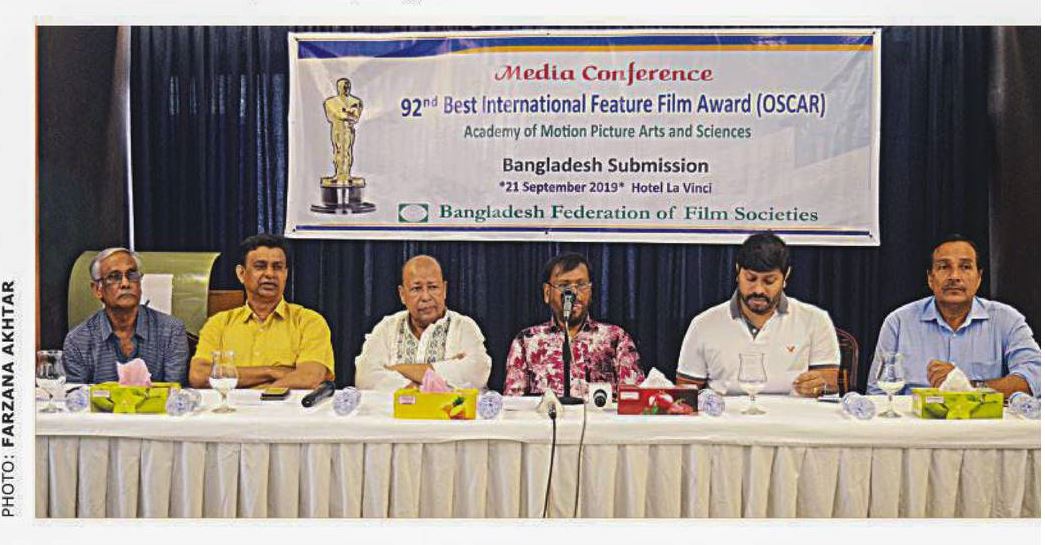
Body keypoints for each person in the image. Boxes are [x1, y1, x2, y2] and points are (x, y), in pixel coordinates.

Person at [869, 234, 1040, 398]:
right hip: (914, 417)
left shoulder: (1006, 320)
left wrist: (967, 386)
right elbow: (877, 392)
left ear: (979, 278)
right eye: (944, 267)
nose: (954, 277)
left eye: (965, 267)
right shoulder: (899, 322)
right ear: (930, 278)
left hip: (981, 418)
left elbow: (1036, 377)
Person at [676, 232, 840, 397]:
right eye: (750, 279)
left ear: (786, 276)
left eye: (769, 281)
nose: (758, 290)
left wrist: (819, 385)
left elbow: (830, 387)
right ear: (738, 271)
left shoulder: (815, 320)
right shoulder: (704, 324)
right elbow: (685, 395)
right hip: (726, 412)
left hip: (793, 412)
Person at [188, 234, 334, 390]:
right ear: (241, 274)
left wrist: (261, 396)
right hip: (230, 406)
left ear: (285, 274)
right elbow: (198, 375)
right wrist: (270, 371)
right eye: (260, 266)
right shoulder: (219, 324)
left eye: (277, 267)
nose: (270, 274)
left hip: (287, 406)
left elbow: (309, 378)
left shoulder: (309, 322)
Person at [504, 252, 645, 397]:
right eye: (564, 285)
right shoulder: (526, 341)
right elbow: (513, 403)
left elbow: (634, 400)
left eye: (581, 285)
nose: (573, 293)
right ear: (547, 292)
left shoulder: (616, 338)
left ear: (590, 291)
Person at [354, 255, 491, 390]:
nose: (425, 297)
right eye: (416, 289)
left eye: (433, 287)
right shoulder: (387, 327)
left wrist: (398, 369)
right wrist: (418, 388)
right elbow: (364, 376)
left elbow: (477, 374)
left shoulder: (464, 327)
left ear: (444, 290)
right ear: (402, 294)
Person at [63, 247, 188, 384]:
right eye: (114, 277)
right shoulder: (78, 340)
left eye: (132, 275)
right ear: (97, 289)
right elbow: (76, 395)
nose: (125, 283)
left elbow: (174, 393)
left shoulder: (171, 331)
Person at [324, 78, 363, 183]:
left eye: (347, 86)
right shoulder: (331, 102)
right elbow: (333, 115)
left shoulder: (355, 101)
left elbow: (355, 117)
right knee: (338, 150)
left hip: (348, 129)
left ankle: (346, 174)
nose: (346, 88)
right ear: (338, 87)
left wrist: (343, 114)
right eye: (344, 86)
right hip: (336, 129)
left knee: (346, 151)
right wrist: (347, 113)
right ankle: (338, 174)